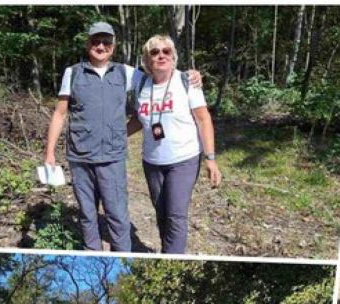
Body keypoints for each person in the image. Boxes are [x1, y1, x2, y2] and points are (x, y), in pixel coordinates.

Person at [43, 23, 134, 252]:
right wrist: (50, 152)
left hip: (112, 158)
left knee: (117, 215)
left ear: (113, 45)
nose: (101, 46)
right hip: (80, 157)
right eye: (96, 41)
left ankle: (121, 255)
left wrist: (190, 76)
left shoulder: (126, 72)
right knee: (87, 213)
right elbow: (60, 113)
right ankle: (91, 252)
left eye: (106, 42)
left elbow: (161, 78)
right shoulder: (73, 73)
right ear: (88, 44)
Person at [129, 35, 221, 254]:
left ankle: (173, 258)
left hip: (184, 159)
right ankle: (166, 251)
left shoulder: (186, 82)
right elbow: (138, 121)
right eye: (155, 52)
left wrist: (211, 159)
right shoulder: (142, 84)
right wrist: (114, 136)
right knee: (161, 212)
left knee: (175, 214)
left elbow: (203, 119)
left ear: (173, 56)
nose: (161, 55)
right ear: (147, 59)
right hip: (152, 161)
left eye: (166, 51)